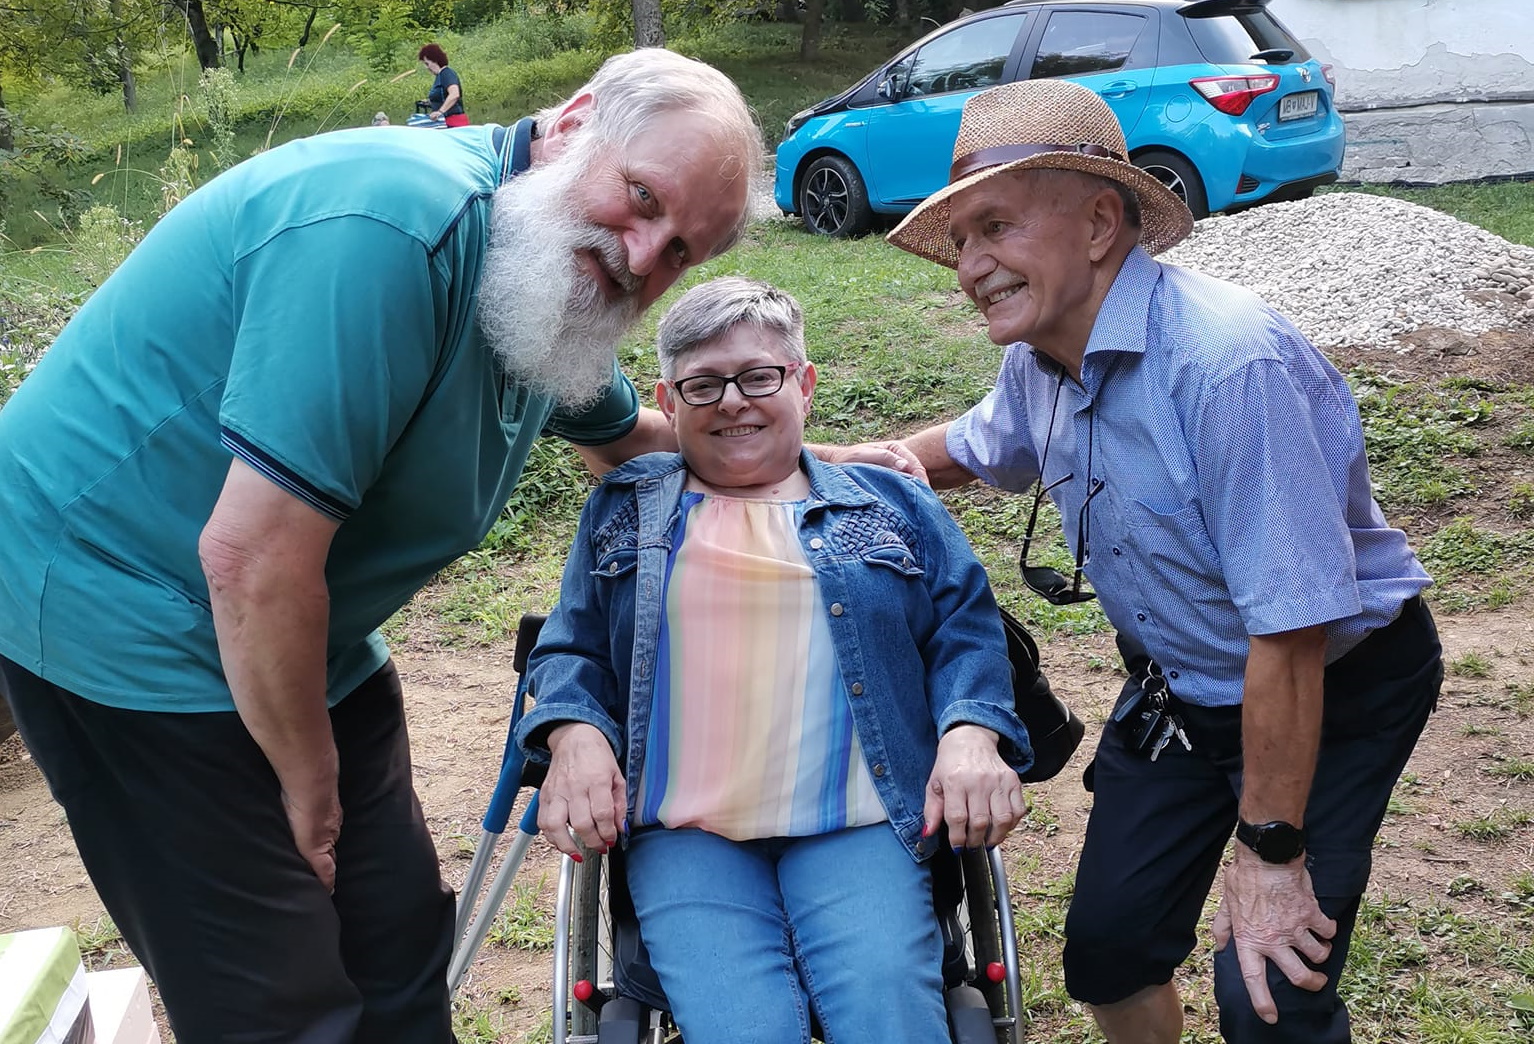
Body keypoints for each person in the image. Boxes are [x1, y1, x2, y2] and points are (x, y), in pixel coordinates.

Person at [0, 48, 917, 1044]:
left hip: (305, 624)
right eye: (641, 198)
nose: (643, 256)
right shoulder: (390, 225)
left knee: (396, 941)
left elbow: (637, 442)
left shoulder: (539, 273)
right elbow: (252, 558)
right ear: (573, 124)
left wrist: (834, 461)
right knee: (276, 996)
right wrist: (308, 789)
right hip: (119, 611)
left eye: (682, 251)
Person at [885, 79, 1443, 1043]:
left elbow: (1293, 630)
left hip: (1334, 683)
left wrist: (1271, 853)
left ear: (1101, 222)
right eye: (962, 240)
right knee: (1109, 952)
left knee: (1268, 992)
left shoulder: (1227, 366)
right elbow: (976, 449)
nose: (971, 265)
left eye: (997, 228)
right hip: (1186, 688)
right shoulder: (1043, 358)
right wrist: (787, 464)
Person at [515, 276, 1035, 1044]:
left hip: (856, 819)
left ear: (804, 385)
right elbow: (571, 645)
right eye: (703, 385)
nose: (733, 401)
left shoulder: (889, 503)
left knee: (888, 1015)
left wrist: (970, 731)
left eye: (759, 376)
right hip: (687, 831)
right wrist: (572, 733)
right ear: (669, 396)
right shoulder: (625, 507)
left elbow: (966, 626)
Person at [418, 43, 467, 126]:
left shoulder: (447, 73)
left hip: (453, 121)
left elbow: (454, 94)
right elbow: (443, 96)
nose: (427, 67)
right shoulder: (439, 76)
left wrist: (440, 112)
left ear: (435, 60)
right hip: (444, 122)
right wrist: (430, 102)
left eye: (427, 64)